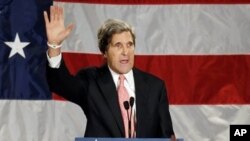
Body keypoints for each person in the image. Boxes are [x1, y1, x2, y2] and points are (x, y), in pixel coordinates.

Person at [44, 5, 175, 139]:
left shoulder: (155, 87)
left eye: (129, 45)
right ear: (105, 51)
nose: (125, 52)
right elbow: (59, 83)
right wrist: (54, 45)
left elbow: (166, 135)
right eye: (118, 45)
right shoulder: (91, 81)